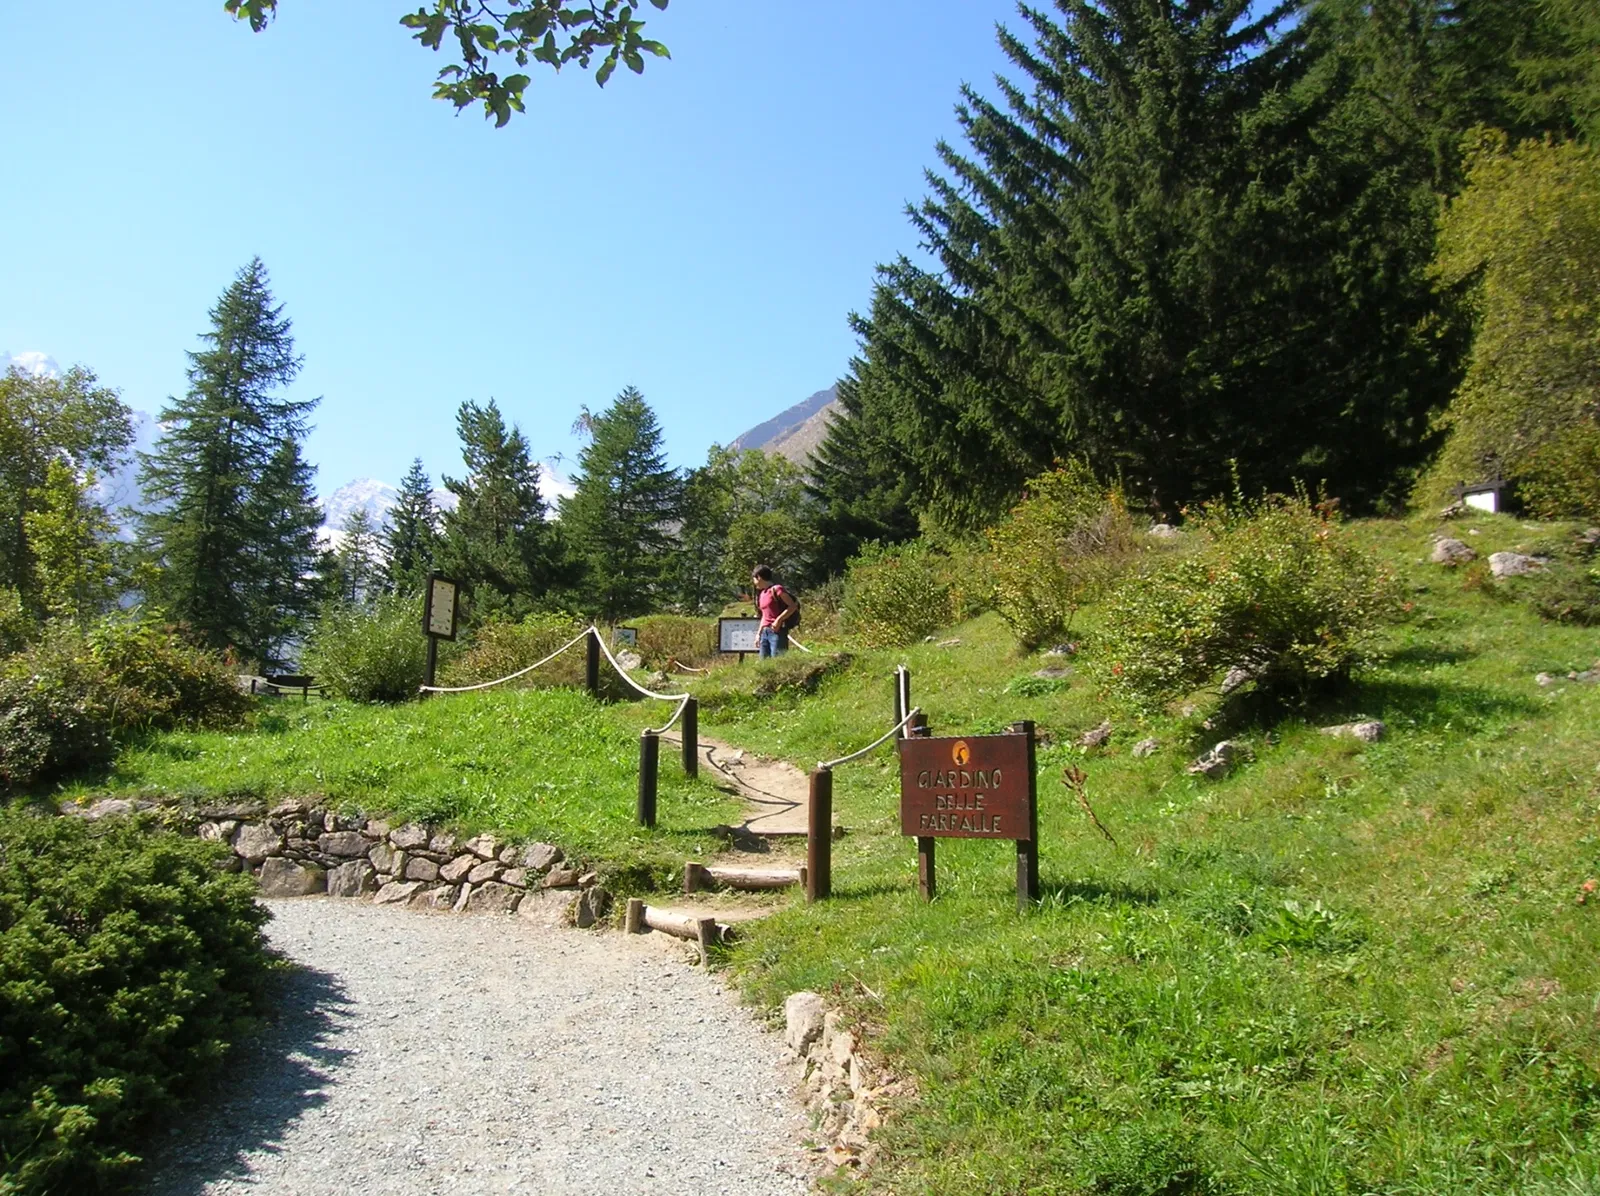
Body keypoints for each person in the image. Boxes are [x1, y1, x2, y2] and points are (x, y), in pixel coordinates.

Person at [751, 564, 798, 658]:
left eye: (754, 579)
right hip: (765, 632)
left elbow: (792, 606)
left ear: (759, 577)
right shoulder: (762, 594)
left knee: (778, 661)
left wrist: (779, 620)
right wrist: (758, 634)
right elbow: (764, 615)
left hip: (777, 631)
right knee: (764, 664)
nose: (754, 582)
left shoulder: (777, 589)